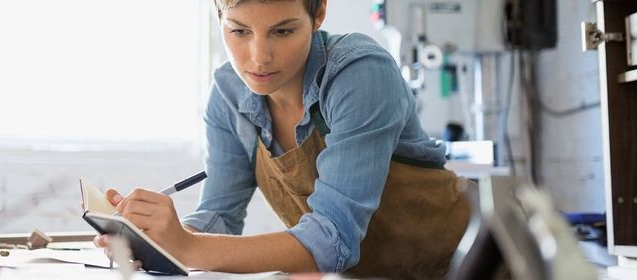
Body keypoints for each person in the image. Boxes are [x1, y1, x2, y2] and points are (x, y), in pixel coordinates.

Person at [94, 0, 470, 278]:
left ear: (319, 13)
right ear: (219, 19)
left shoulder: (360, 73)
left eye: (283, 31)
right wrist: (157, 239)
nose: (259, 58)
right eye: (239, 31)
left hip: (469, 267)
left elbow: (332, 241)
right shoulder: (228, 95)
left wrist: (189, 247)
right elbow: (219, 218)